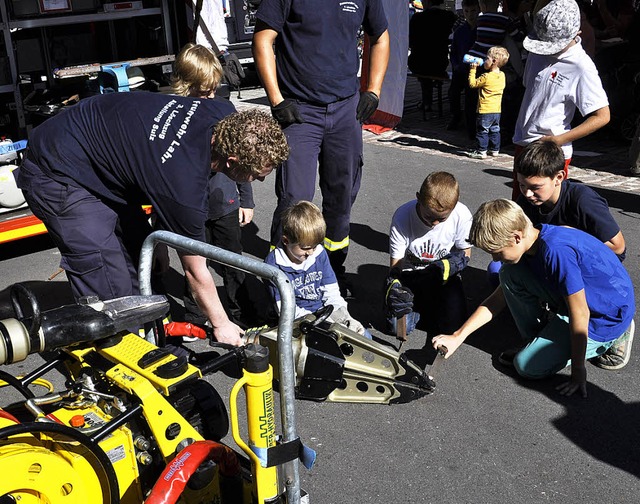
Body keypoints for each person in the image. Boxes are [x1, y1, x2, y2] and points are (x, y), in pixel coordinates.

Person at [15, 93, 289, 346]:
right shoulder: (183, 181)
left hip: (102, 153)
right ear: (230, 160)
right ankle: (122, 361)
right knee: (111, 285)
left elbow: (156, 173)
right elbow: (196, 271)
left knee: (143, 263)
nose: (262, 179)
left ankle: (153, 340)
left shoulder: (221, 112)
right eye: (257, 173)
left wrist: (157, 241)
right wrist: (221, 323)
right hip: (58, 170)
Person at [432, 199, 635, 398]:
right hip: (587, 298)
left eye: (497, 252)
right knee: (509, 275)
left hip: (605, 316)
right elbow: (497, 299)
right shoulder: (536, 238)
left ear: (517, 237)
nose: (494, 259)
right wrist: (458, 336)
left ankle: (618, 335)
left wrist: (578, 370)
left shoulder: (555, 252)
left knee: (526, 366)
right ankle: (540, 339)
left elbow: (580, 312)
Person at [252, 0, 390, 288]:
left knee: (342, 196)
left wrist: (374, 91)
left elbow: (380, 36)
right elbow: (264, 38)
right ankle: (280, 278)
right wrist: (277, 100)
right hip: (300, 112)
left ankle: (331, 270)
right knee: (294, 199)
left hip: (345, 110)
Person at [171, 43, 256, 327]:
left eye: (212, 89)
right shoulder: (175, 116)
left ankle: (241, 312)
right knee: (194, 264)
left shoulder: (224, 109)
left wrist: (247, 199)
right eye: (201, 91)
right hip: (191, 207)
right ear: (184, 85)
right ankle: (196, 317)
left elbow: (242, 157)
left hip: (225, 202)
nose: (208, 96)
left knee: (233, 262)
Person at [486, 139, 626, 286]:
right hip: (548, 256)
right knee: (497, 270)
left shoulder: (583, 200)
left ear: (559, 177)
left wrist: (567, 236)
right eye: (522, 185)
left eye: (535, 187)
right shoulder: (526, 200)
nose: (527, 193)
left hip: (592, 265)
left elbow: (617, 247)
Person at [511, 0, 610, 200]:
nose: (548, 50)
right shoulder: (538, 50)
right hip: (524, 142)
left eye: (554, 46)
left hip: (550, 151)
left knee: (547, 213)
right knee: (520, 213)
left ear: (576, 34)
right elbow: (530, 88)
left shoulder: (581, 66)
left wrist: (558, 140)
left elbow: (602, 115)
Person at [385, 172, 472, 338]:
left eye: (441, 219)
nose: (434, 223)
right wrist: (394, 287)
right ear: (418, 198)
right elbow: (396, 266)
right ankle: (424, 306)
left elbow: (465, 252)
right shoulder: (403, 216)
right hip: (411, 277)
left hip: (444, 276)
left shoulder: (461, 214)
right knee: (397, 329)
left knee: (454, 327)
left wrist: (454, 264)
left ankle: (431, 306)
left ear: (454, 206)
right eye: (429, 216)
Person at [265, 201, 370, 338]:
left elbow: (331, 291)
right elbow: (285, 310)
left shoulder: (318, 253)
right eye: (305, 248)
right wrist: (322, 324)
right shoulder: (274, 265)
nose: (310, 252)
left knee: (364, 337)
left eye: (314, 246)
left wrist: (344, 315)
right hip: (297, 321)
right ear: (286, 241)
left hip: (324, 311)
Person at [408, 0, 457, 113]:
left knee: (423, 63)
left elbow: (410, 42)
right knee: (430, 61)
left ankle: (427, 101)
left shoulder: (417, 18)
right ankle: (428, 101)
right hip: (439, 63)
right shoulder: (449, 16)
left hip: (417, 63)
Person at [466, 45, 510, 159]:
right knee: (495, 130)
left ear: (494, 61)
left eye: (487, 59)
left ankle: (482, 151)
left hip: (485, 110)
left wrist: (472, 69)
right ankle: (495, 149)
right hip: (496, 110)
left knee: (482, 131)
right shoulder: (502, 75)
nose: (485, 61)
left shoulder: (486, 76)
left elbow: (472, 84)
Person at [448, 0, 480, 132]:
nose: (470, 15)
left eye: (473, 11)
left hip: (475, 70)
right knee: (453, 93)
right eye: (467, 11)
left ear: (478, 10)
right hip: (460, 69)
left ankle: (471, 124)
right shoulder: (460, 31)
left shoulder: (480, 30)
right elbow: (453, 51)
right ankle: (456, 116)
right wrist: (455, 64)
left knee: (471, 98)